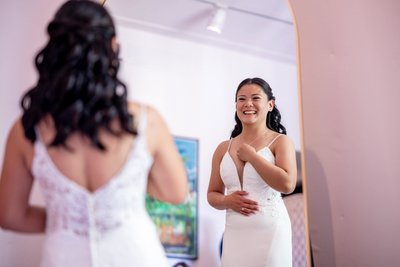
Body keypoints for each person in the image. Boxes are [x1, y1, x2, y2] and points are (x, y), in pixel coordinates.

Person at [0, 1, 188, 266]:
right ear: (112, 46)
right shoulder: (146, 121)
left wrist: (64, 220)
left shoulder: (26, 129)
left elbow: (9, 215)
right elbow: (176, 193)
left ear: (55, 50)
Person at [207, 77, 297, 267]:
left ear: (270, 105)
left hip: (270, 231)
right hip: (234, 233)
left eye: (256, 98)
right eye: (241, 99)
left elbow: (287, 184)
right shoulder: (223, 148)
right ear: (236, 105)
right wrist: (227, 200)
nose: (248, 104)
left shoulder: (281, 142)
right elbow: (212, 194)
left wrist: (253, 157)